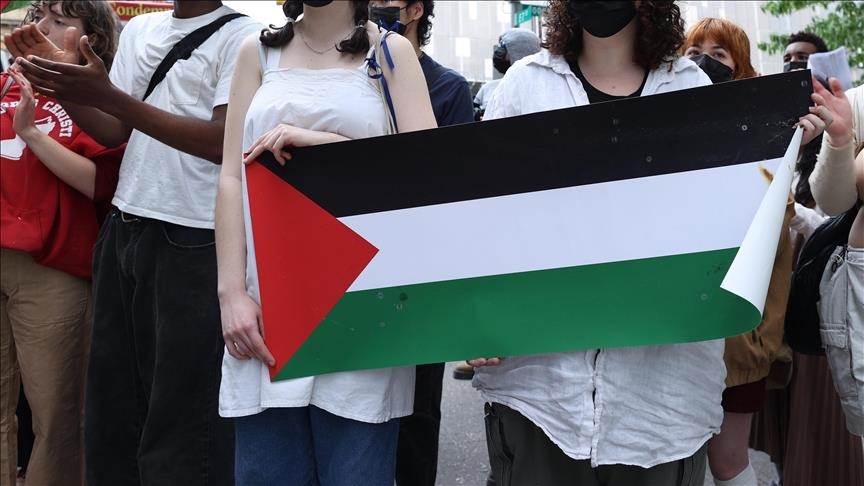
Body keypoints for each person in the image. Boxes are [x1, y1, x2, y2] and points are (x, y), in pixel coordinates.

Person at [12, 1, 262, 484]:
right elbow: (112, 130)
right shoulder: (142, 29)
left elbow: (221, 142)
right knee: (113, 408)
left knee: (183, 413)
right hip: (125, 224)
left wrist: (108, 95)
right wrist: (63, 86)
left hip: (195, 236)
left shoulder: (245, 37)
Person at [470, 2, 718, 484]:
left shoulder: (691, 89)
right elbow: (485, 219)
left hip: (663, 405)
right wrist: (474, 322)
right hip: (541, 396)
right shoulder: (525, 84)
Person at [215, 1, 436, 484]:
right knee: (267, 471)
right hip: (268, 306)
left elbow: (428, 173)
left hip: (364, 305)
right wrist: (230, 293)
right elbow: (232, 176)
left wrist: (325, 144)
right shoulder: (257, 52)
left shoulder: (390, 52)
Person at [0, 2, 122, 485]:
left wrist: (31, 133)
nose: (43, 29)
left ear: (93, 38)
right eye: (41, 15)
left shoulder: (98, 100)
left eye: (61, 21)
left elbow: (101, 184)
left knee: (57, 413)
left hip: (55, 267)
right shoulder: (7, 82)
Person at [367, 1, 472, 485]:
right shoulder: (347, 75)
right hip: (353, 268)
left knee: (416, 419)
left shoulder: (447, 87)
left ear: (415, 9)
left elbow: (454, 190)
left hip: (419, 279)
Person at [473, 28, 541, 121]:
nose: (498, 52)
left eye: (503, 47)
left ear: (519, 52)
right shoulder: (488, 87)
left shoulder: (538, 89)